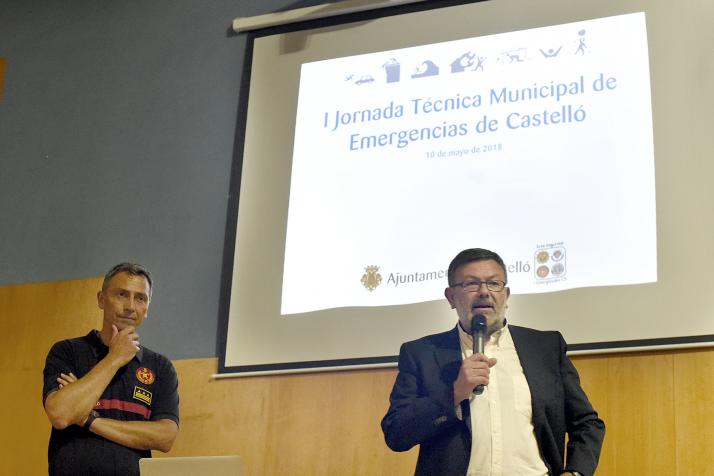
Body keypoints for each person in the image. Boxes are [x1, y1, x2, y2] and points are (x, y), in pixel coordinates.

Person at [381, 248, 605, 476]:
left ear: (506, 295)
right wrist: (454, 394)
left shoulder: (545, 347)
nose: (484, 292)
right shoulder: (422, 353)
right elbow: (396, 433)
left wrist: (576, 473)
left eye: (494, 283)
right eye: (471, 284)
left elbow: (586, 423)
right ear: (451, 297)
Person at [42, 263, 179, 475]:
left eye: (140, 298)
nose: (130, 306)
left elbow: (165, 437)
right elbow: (60, 414)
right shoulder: (67, 351)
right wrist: (114, 358)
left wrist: (89, 420)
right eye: (122, 294)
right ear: (101, 299)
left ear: (147, 309)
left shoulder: (160, 367)